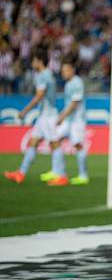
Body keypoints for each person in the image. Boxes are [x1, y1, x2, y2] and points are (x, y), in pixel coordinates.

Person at [4, 48, 66, 185]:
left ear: (38, 61)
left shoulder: (43, 76)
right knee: (33, 142)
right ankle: (21, 173)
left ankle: (61, 175)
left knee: (54, 144)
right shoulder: (47, 74)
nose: (32, 63)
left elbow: (39, 96)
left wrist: (25, 111)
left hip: (48, 116)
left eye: (33, 60)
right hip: (44, 115)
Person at [39, 56, 89, 185]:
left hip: (77, 120)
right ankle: (58, 172)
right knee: (54, 139)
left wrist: (61, 116)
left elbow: (74, 103)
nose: (63, 73)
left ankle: (83, 175)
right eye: (62, 71)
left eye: (66, 70)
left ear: (72, 70)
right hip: (69, 120)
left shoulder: (77, 82)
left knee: (78, 145)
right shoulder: (68, 84)